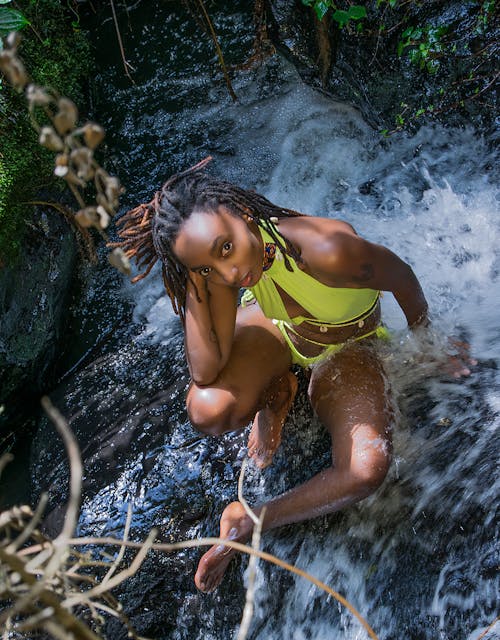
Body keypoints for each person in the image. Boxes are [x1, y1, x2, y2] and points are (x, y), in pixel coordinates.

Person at [111, 157, 446, 593]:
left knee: (366, 470)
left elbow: (401, 277)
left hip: (346, 347)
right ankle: (278, 392)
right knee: (207, 408)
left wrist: (429, 344)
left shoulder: (326, 251)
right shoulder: (227, 272)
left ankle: (248, 521)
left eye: (225, 247)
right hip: (279, 333)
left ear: (243, 215)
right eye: (209, 267)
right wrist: (196, 278)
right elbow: (205, 369)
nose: (230, 273)